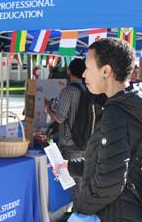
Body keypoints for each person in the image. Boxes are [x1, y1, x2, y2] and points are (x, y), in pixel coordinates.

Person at [51, 37, 142, 221]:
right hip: (129, 210)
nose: (84, 75)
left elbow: (109, 182)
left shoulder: (117, 113)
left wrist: (80, 209)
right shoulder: (134, 105)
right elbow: (111, 162)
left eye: (88, 68)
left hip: (114, 213)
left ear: (106, 71)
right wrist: (71, 166)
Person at [44, 57, 86, 211]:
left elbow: (60, 117)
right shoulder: (89, 90)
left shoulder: (68, 91)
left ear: (69, 71)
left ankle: (80, 216)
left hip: (70, 143)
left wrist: (48, 109)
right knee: (84, 185)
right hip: (87, 142)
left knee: (76, 186)